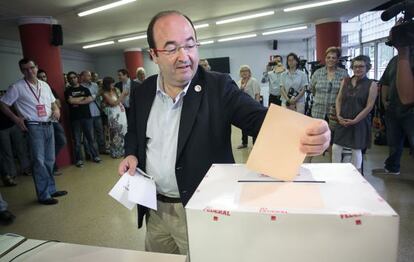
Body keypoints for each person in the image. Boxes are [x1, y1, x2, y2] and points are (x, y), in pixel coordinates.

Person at [118, 10, 330, 257]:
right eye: (171, 48)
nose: (184, 56)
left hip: (199, 210)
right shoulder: (143, 91)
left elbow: (258, 119)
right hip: (154, 209)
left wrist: (306, 131)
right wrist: (130, 154)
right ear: (154, 54)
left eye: (190, 45)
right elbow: (134, 132)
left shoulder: (218, 87)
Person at [0, 58, 67, 205]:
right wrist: (16, 119)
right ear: (21, 71)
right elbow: (3, 104)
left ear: (37, 67)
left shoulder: (44, 85)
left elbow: (52, 102)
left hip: (49, 124)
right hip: (33, 126)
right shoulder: (17, 87)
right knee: (39, 161)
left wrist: (56, 109)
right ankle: (43, 195)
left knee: (49, 160)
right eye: (25, 69)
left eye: (31, 68)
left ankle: (51, 189)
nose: (29, 72)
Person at [332, 55, 378, 171]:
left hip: (360, 122)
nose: (358, 69)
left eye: (361, 66)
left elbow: (369, 106)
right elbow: (338, 99)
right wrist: (338, 116)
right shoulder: (345, 81)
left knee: (356, 150)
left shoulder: (372, 85)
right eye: (355, 66)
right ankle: (335, 172)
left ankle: (354, 176)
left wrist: (356, 120)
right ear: (352, 67)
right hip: (342, 119)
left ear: (367, 67)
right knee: (336, 148)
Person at [373, 46, 414, 176]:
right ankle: (392, 167)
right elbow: (385, 82)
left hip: (411, 111)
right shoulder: (394, 60)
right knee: (393, 141)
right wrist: (384, 101)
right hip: (393, 108)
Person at [65, 71, 102, 167]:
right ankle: (79, 160)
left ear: (77, 78)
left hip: (87, 117)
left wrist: (76, 101)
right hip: (75, 119)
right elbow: (70, 100)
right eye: (71, 78)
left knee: (91, 138)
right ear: (68, 80)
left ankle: (95, 156)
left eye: (74, 77)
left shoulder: (85, 89)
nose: (73, 79)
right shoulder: (67, 91)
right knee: (77, 141)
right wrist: (83, 99)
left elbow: (90, 99)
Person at [37, 69, 67, 176]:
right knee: (45, 147)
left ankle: (50, 163)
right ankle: (52, 167)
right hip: (41, 123)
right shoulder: (35, 91)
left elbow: (58, 104)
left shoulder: (49, 89)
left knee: (62, 141)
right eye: (40, 77)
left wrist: (52, 107)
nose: (43, 79)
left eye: (44, 76)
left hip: (54, 121)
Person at [80, 70, 107, 154]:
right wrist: (94, 96)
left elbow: (99, 96)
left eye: (90, 75)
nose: (90, 77)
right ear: (82, 77)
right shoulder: (80, 87)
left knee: (100, 133)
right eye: (88, 76)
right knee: (89, 135)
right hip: (87, 115)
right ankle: (89, 153)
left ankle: (102, 150)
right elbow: (84, 100)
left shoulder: (95, 85)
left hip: (97, 113)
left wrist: (94, 97)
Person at [101, 77, 128, 158]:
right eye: (111, 84)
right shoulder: (104, 93)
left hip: (120, 111)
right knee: (115, 132)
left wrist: (124, 96)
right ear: (107, 84)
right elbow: (113, 103)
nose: (113, 85)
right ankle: (116, 152)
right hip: (113, 114)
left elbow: (120, 101)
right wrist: (122, 94)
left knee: (124, 129)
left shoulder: (115, 90)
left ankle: (124, 150)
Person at [236, 65, 261, 149]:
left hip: (253, 106)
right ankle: (244, 143)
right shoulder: (239, 82)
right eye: (242, 71)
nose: (244, 72)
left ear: (249, 72)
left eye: (246, 70)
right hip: (242, 107)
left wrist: (257, 106)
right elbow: (237, 94)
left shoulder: (253, 81)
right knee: (244, 125)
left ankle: (255, 143)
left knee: (254, 125)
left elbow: (257, 94)